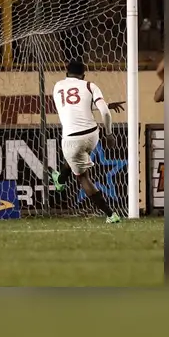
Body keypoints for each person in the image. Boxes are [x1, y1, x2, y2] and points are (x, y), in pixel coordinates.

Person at [49, 60, 121, 223]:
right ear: (83, 75)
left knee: (83, 177)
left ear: (66, 73)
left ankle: (111, 215)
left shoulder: (57, 86)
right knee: (76, 158)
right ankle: (60, 180)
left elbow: (71, 106)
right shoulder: (90, 86)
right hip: (92, 135)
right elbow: (106, 113)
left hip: (71, 138)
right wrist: (109, 134)